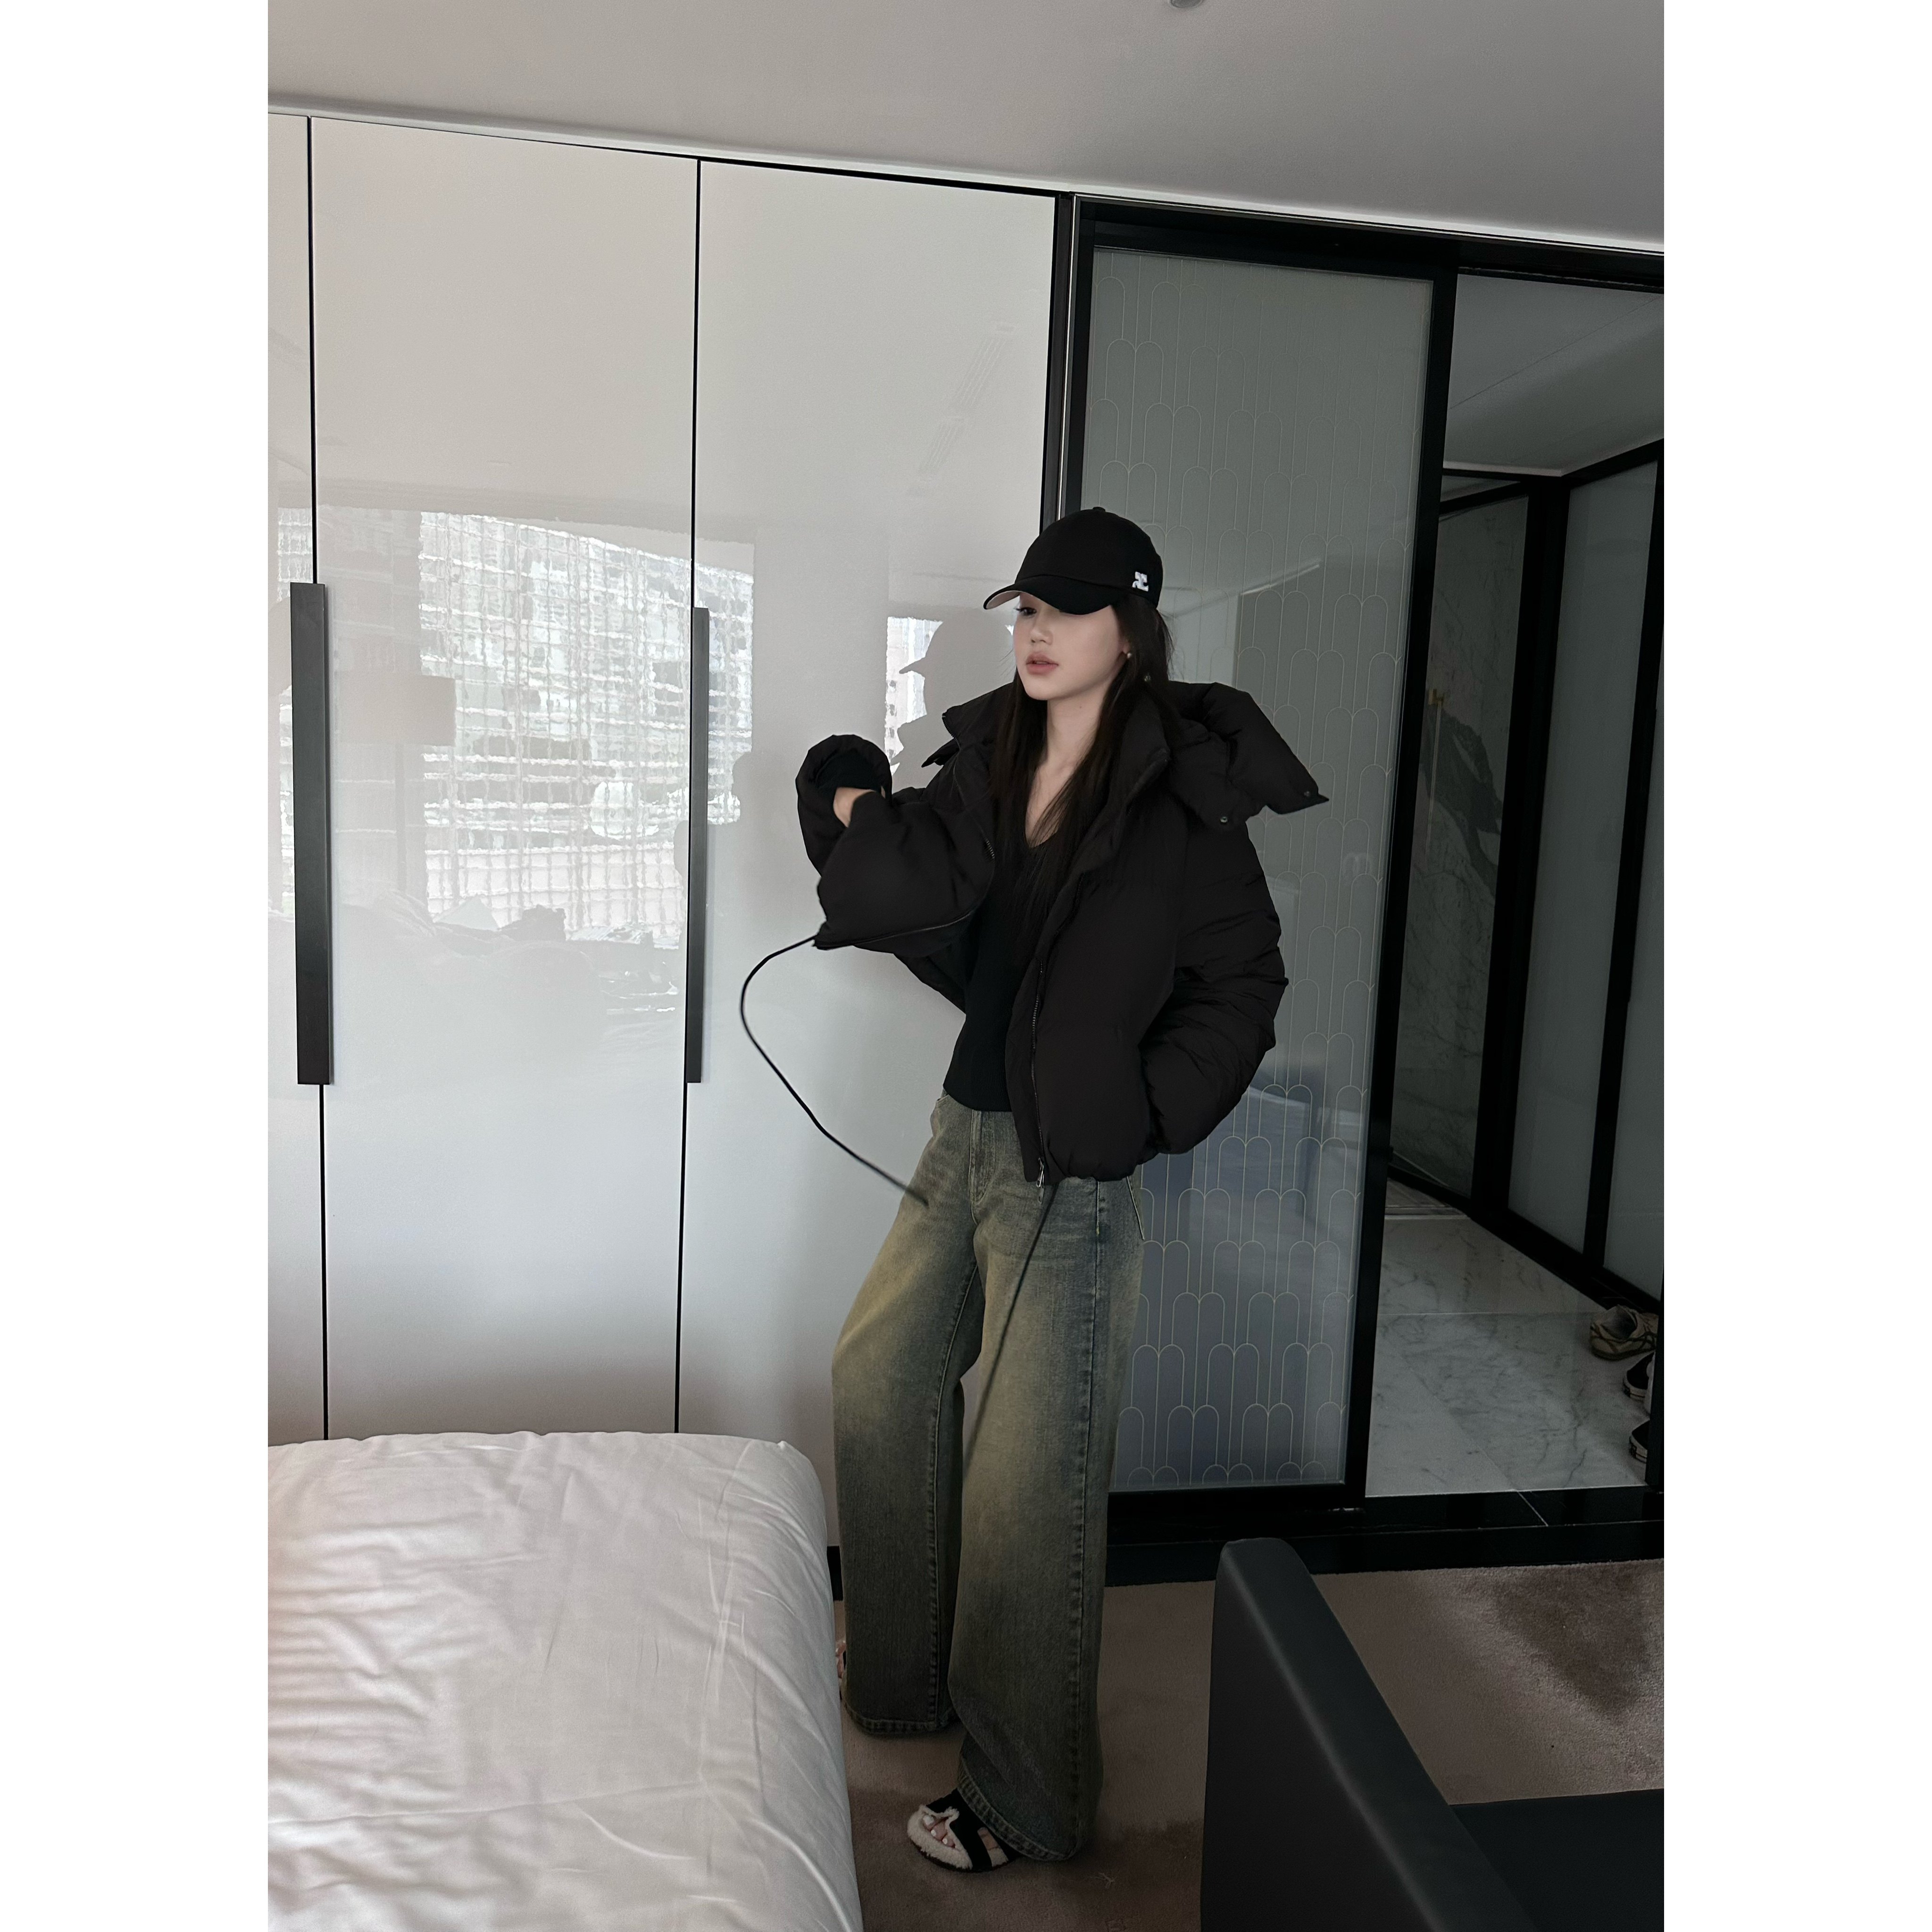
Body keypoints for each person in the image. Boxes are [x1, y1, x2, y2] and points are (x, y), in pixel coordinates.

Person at [794, 507, 1325, 1873]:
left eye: (1068, 609)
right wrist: (842, 793)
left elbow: (1246, 978)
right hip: (963, 1131)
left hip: (1071, 1171)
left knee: (1029, 1485)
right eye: (1025, 606)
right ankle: (903, 1682)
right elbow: (914, 897)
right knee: (880, 1376)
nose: (1035, 630)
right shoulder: (991, 763)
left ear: (1129, 629)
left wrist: (1146, 1114)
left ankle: (1027, 1796)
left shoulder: (1182, 800)